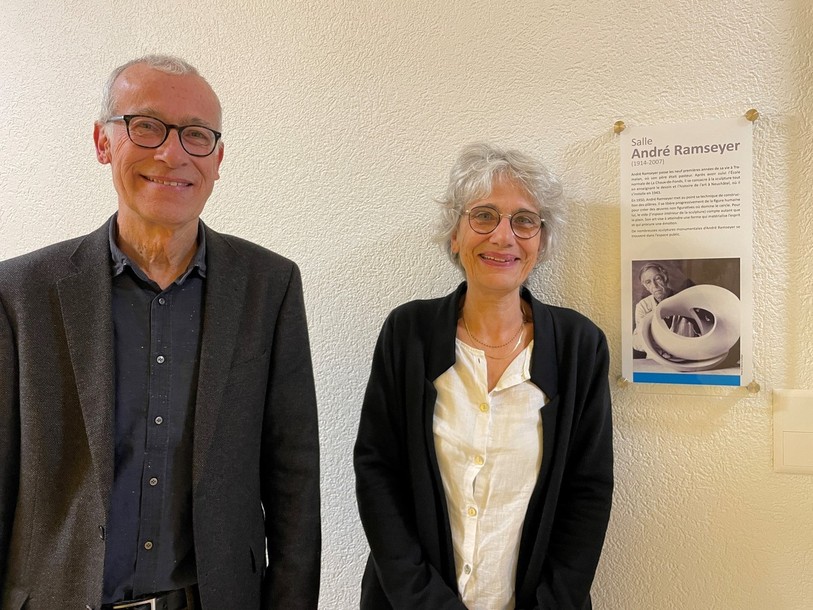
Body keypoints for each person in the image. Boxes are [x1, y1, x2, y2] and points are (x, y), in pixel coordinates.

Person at [0, 55, 320, 610]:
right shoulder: (20, 293)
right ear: (103, 142)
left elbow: (293, 477)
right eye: (146, 126)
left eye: (196, 135)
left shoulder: (270, 287)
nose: (172, 153)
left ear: (218, 160)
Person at [354, 142, 613, 609]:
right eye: (484, 216)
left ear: (542, 240)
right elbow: (377, 474)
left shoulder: (580, 347)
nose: (503, 236)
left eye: (524, 220)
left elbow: (587, 492)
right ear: (455, 234)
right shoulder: (406, 334)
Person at [632, 262, 696, 357]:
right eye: (648, 282)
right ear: (645, 286)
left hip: (685, 359)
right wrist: (651, 318)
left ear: (665, 278)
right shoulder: (643, 306)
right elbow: (638, 342)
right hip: (655, 361)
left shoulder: (685, 300)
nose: (654, 285)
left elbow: (700, 335)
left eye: (657, 279)